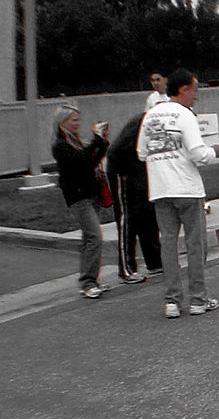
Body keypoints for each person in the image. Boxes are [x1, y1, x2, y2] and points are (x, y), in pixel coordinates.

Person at [137, 69, 219, 319]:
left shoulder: (150, 115)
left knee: (168, 245)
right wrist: (214, 152)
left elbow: (142, 153)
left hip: (160, 190)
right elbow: (198, 153)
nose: (196, 96)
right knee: (195, 244)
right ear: (183, 89)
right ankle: (198, 299)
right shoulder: (185, 115)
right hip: (186, 188)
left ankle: (172, 301)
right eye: (194, 90)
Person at [51, 104, 110, 299]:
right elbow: (80, 161)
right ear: (63, 122)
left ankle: (89, 279)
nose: (77, 123)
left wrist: (102, 141)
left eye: (78, 120)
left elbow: (91, 162)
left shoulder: (76, 141)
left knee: (88, 238)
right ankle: (88, 282)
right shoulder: (60, 146)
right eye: (74, 120)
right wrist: (95, 139)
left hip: (90, 192)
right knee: (95, 237)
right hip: (77, 197)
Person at [107, 112, 162, 283]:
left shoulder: (159, 122)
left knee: (148, 214)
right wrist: (127, 176)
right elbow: (117, 150)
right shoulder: (146, 121)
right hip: (122, 170)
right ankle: (126, 269)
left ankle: (154, 262)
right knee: (127, 219)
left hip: (139, 169)